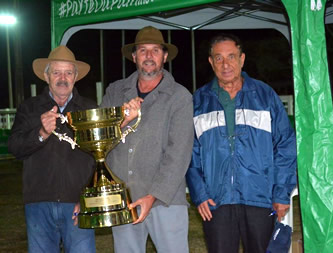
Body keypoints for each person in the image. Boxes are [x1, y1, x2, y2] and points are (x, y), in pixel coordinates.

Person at [186, 34, 297, 253]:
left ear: (242, 59)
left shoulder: (265, 96)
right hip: (215, 201)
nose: (225, 64)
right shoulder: (198, 101)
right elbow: (189, 153)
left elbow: (286, 145)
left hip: (261, 198)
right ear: (211, 62)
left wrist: (281, 193)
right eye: (218, 58)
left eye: (231, 57)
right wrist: (199, 193)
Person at [100, 26, 194, 253]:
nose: (149, 56)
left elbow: (179, 153)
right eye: (143, 50)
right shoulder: (115, 92)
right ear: (134, 57)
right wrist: (121, 121)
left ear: (164, 56)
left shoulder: (180, 97)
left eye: (155, 50)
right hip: (124, 199)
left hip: (165, 199)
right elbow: (100, 142)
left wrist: (152, 196)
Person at [8, 46, 97, 252]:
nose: (62, 78)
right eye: (56, 72)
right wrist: (41, 133)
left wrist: (88, 198)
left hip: (78, 204)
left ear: (75, 77)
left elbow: (99, 158)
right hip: (38, 204)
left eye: (68, 72)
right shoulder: (29, 108)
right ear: (46, 76)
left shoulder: (90, 109)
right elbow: (15, 147)